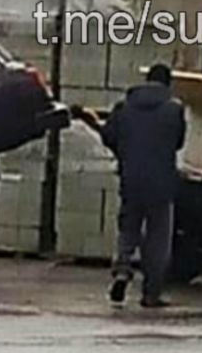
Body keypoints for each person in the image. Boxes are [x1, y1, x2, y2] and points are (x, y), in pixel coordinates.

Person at [77, 63, 186, 308]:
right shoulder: (174, 110)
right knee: (158, 239)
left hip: (131, 179)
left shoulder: (123, 108)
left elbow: (109, 138)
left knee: (128, 230)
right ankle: (151, 294)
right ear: (168, 84)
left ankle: (123, 271)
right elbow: (178, 143)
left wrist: (93, 122)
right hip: (161, 183)